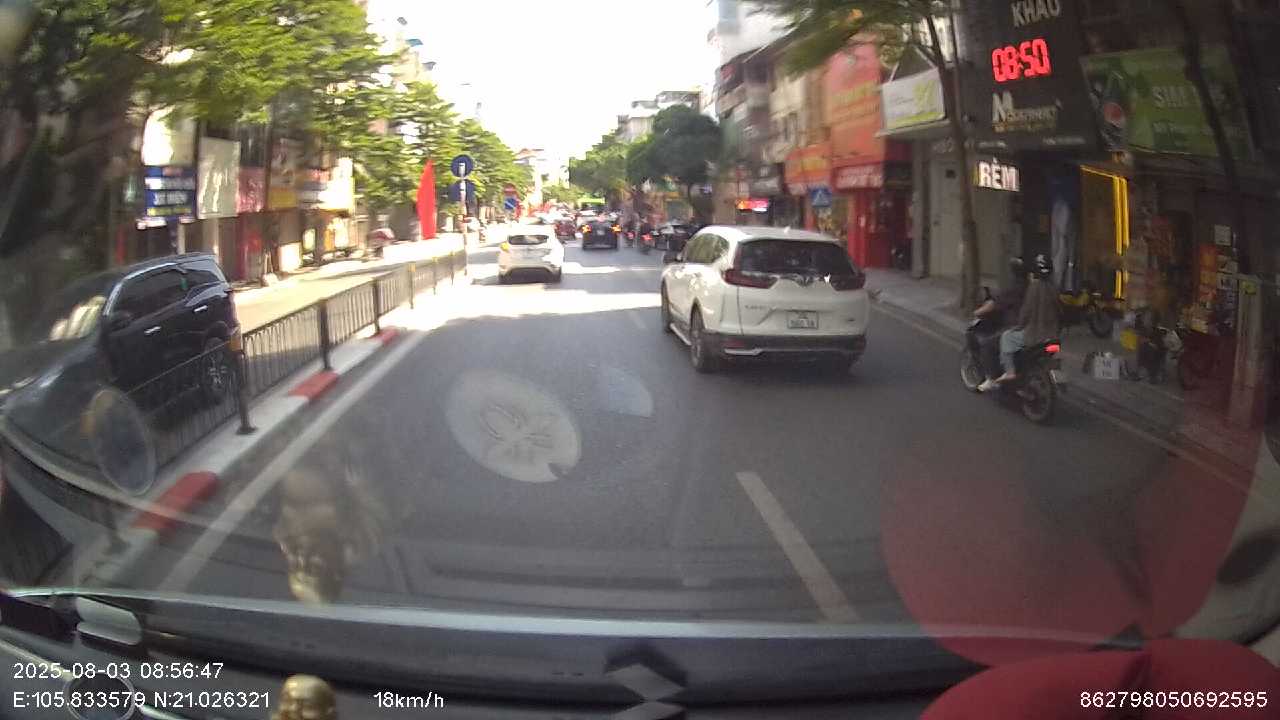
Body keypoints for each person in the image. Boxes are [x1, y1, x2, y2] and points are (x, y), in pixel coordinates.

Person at [978, 254, 1060, 392]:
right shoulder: (1054, 289)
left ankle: (1009, 372)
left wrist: (1019, 327)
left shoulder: (1033, 288)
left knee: (1006, 337)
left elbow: (1026, 312)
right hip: (1052, 336)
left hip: (1034, 335)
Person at [973, 256, 1029, 381]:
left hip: (1015, 328)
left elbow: (995, 304)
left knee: (987, 344)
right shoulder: (1031, 286)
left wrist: (977, 312)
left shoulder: (1014, 288)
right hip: (1031, 328)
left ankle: (991, 378)